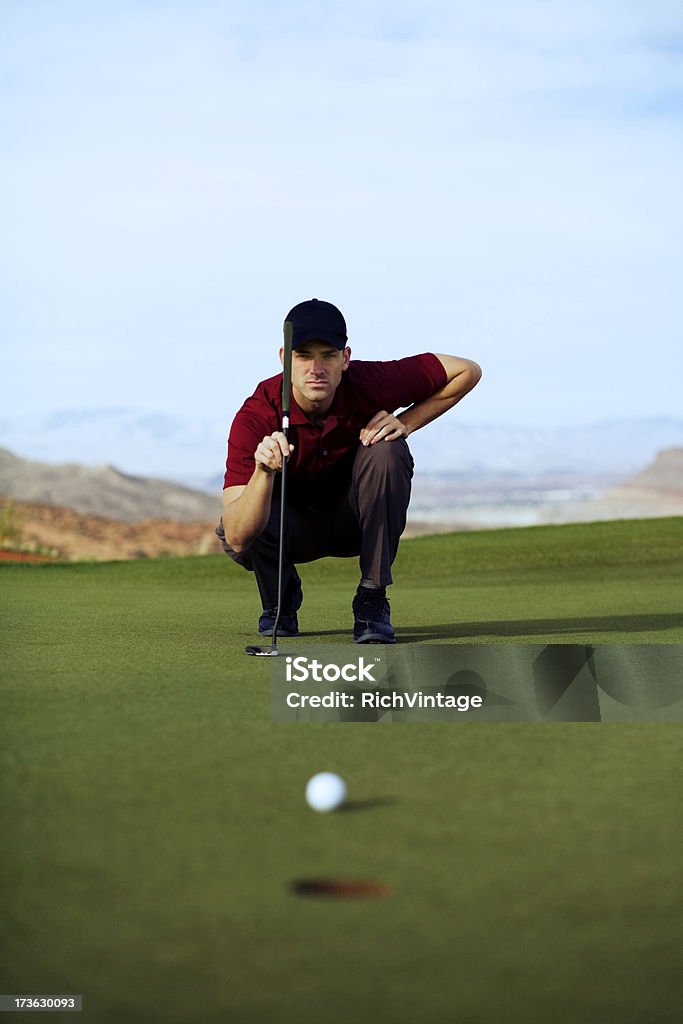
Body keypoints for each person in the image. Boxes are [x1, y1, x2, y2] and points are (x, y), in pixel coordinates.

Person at [216, 298, 481, 643]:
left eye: (328, 354)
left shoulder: (372, 382)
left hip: (355, 522)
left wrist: (405, 422)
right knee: (248, 502)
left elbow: (467, 370)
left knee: (388, 449)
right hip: (290, 531)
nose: (316, 368)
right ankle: (279, 598)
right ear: (285, 360)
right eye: (303, 356)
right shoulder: (256, 415)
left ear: (346, 358)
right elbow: (236, 536)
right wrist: (262, 472)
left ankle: (372, 598)